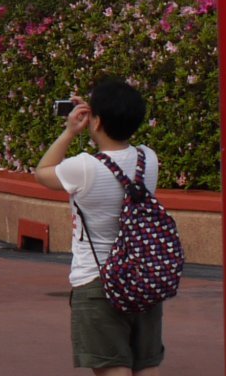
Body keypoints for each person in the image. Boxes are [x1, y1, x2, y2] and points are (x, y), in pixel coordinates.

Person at [35, 78, 165, 376]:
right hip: (143, 276)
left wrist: (70, 131)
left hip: (97, 281)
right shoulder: (149, 159)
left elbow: (42, 172)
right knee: (146, 364)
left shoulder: (83, 167)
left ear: (96, 121)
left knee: (112, 367)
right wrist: (100, 115)